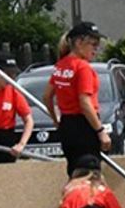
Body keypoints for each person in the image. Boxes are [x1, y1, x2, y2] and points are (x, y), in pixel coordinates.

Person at [45, 21, 110, 176]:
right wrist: (100, 131)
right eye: (93, 44)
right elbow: (85, 103)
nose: (96, 48)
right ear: (79, 42)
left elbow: (47, 96)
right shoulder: (82, 67)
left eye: (98, 44)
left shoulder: (62, 65)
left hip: (68, 126)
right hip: (84, 126)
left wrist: (56, 120)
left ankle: (72, 199)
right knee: (90, 174)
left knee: (74, 172)